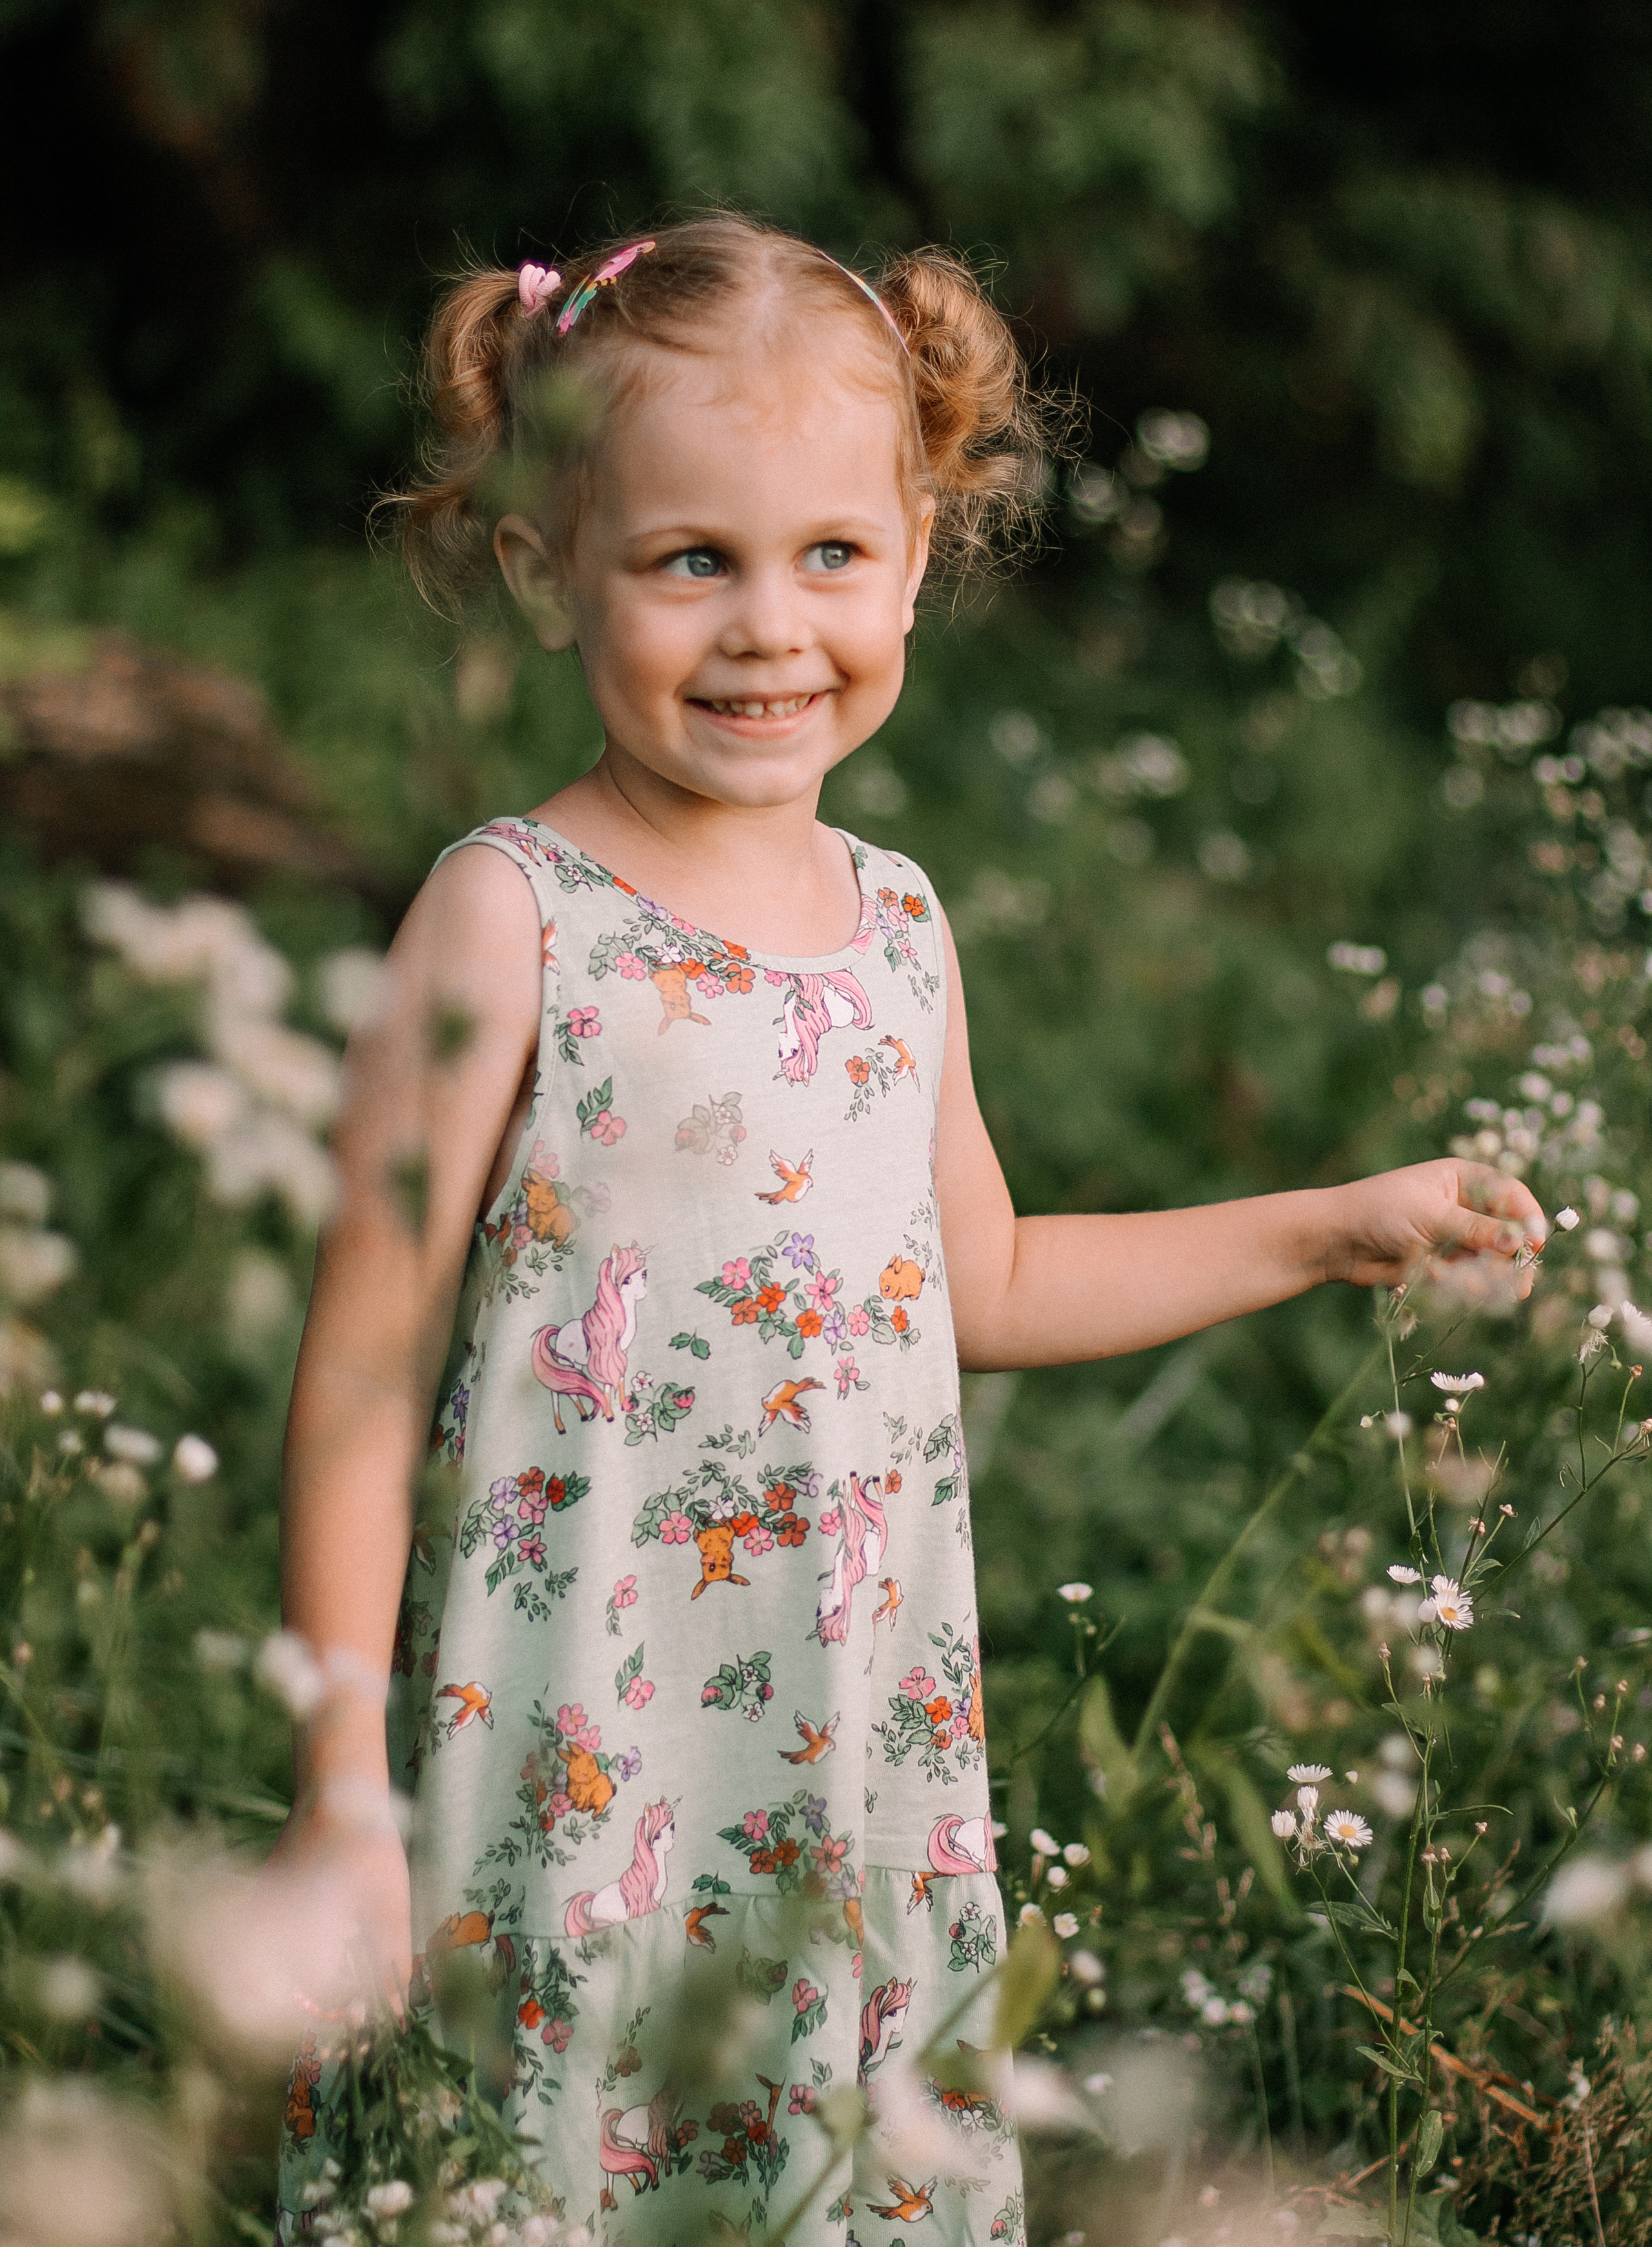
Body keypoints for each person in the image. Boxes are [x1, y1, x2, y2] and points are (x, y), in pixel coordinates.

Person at [273, 214, 1544, 2237]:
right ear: (541, 573)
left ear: (920, 561)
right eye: (693, 561)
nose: (771, 625)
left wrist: (1322, 1228)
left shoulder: (901, 930)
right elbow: (357, 1368)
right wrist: (344, 1790)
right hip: (578, 1736)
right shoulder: (512, 917)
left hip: (845, 1736)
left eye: (830, 556)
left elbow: (994, 1281)